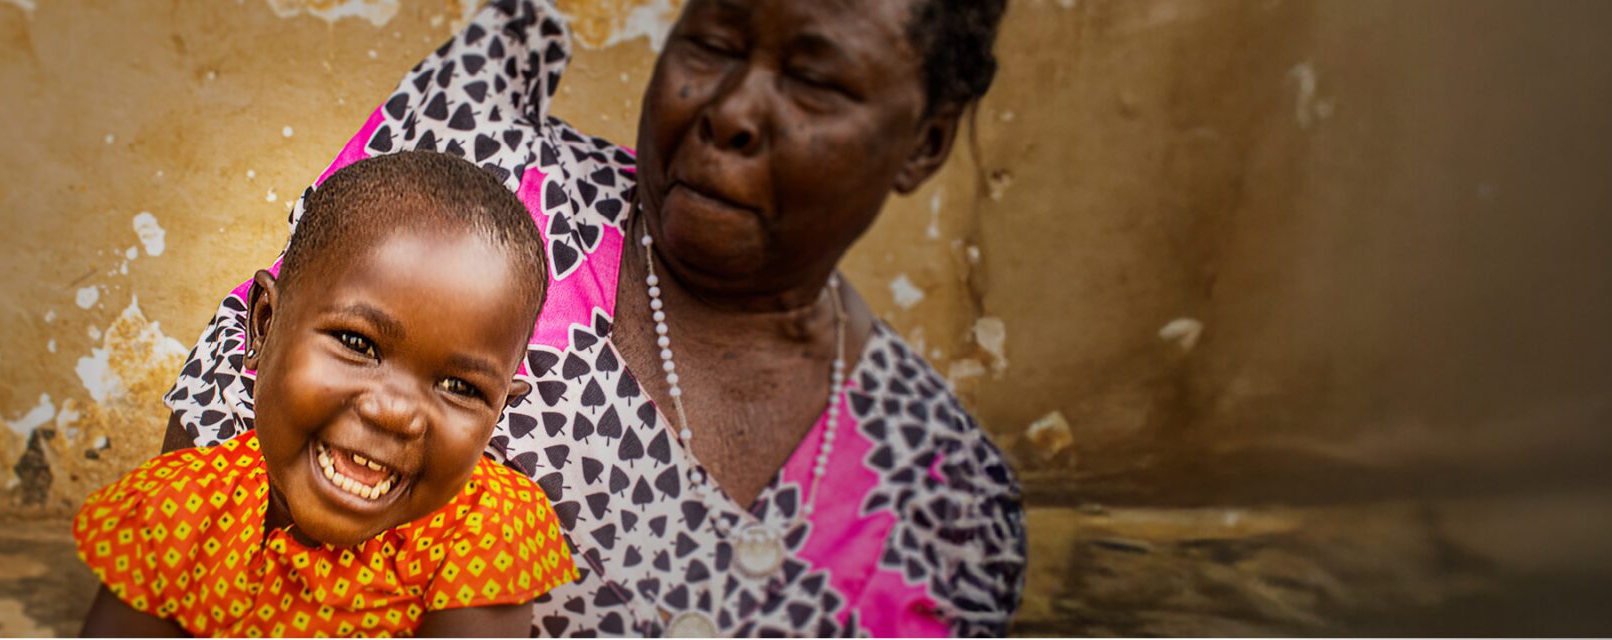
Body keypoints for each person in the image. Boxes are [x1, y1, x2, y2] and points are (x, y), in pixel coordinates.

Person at [160, 0, 1023, 635]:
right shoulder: (485, 199)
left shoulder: (947, 508)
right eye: (712, 43)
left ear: (926, 142)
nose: (728, 111)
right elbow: (205, 491)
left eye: (816, 83)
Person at [78, 151, 577, 637]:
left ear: (499, 411)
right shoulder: (178, 511)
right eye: (358, 344)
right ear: (263, 326)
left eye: (460, 387)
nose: (395, 412)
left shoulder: (488, 528)